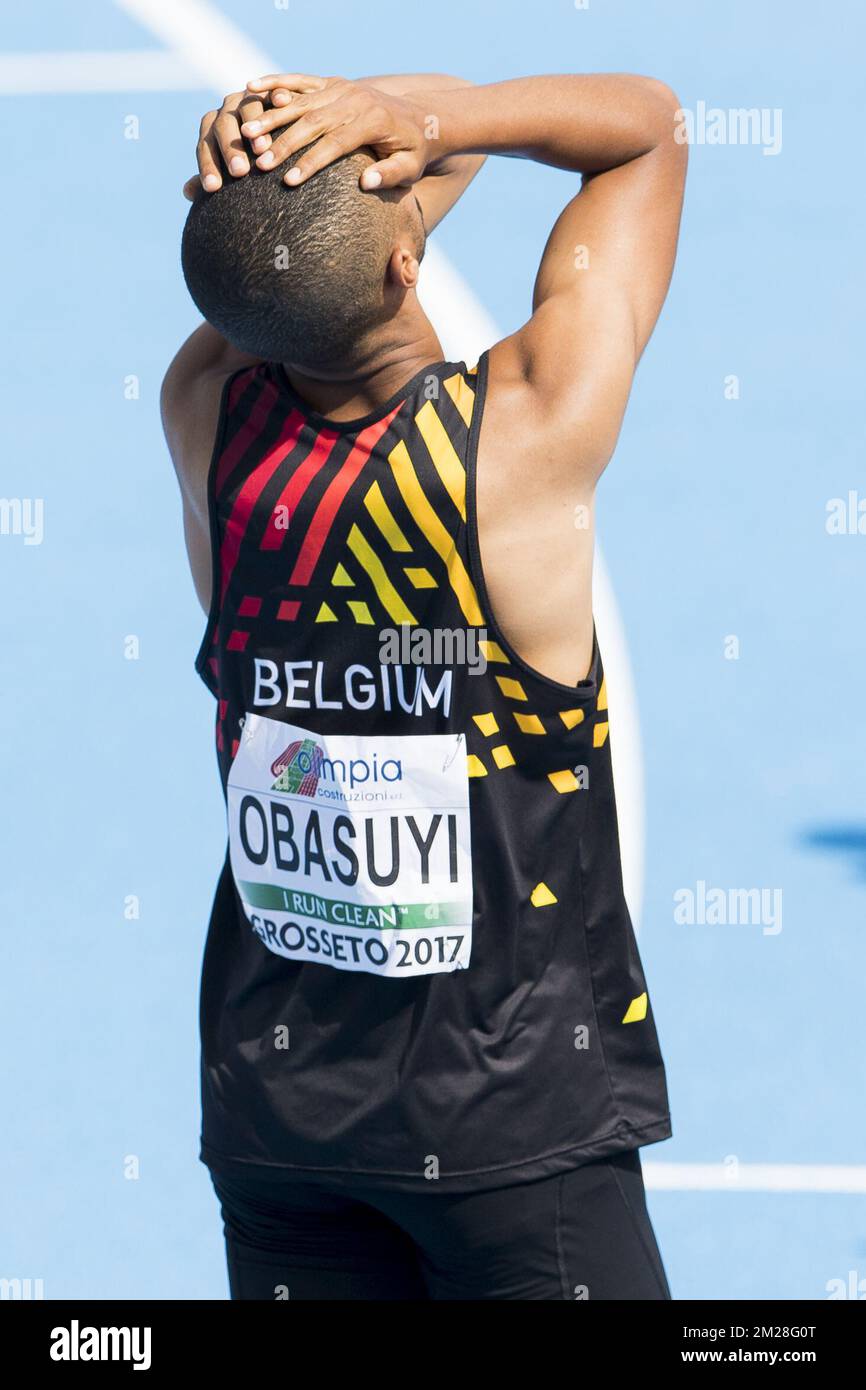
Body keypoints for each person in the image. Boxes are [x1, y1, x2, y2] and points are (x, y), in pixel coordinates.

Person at [161, 69, 687, 1301]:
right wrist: (410, 123)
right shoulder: (517, 435)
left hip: (275, 1122)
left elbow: (273, 278)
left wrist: (297, 192)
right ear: (407, 266)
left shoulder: (205, 423)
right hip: (510, 1129)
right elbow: (648, 130)